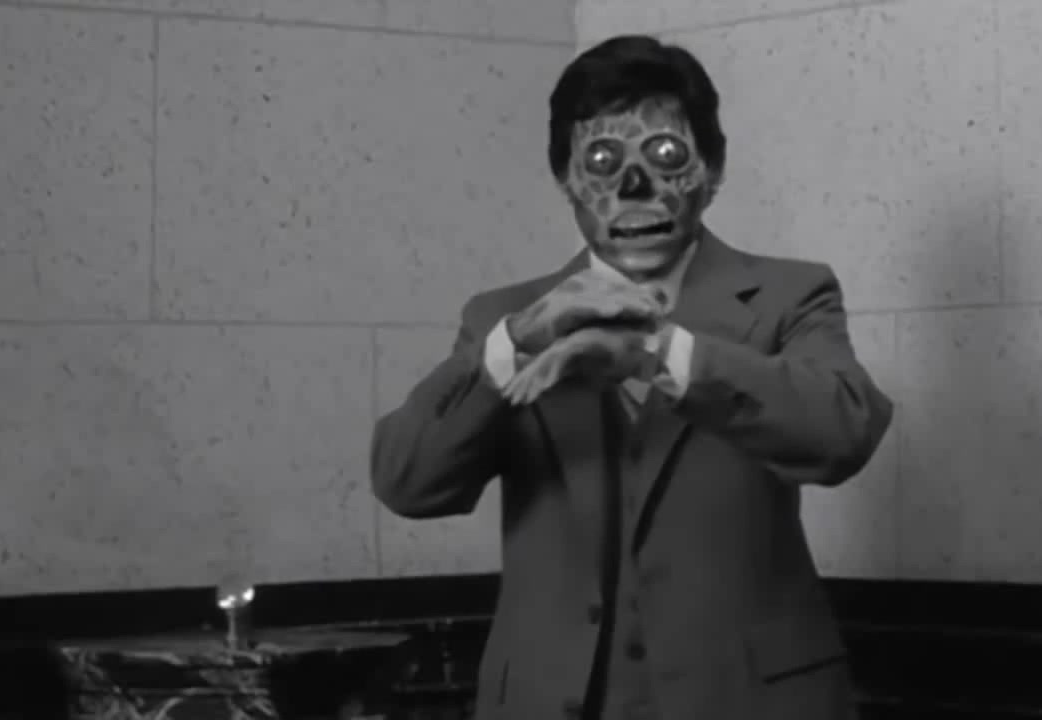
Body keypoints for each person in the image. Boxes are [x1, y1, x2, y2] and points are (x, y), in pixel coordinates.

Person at [371, 34, 894, 720]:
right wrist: (514, 345)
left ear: (713, 169)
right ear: (564, 178)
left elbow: (844, 431)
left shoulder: (789, 296)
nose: (635, 187)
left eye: (666, 155)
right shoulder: (501, 318)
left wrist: (660, 354)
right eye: (602, 161)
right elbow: (407, 481)